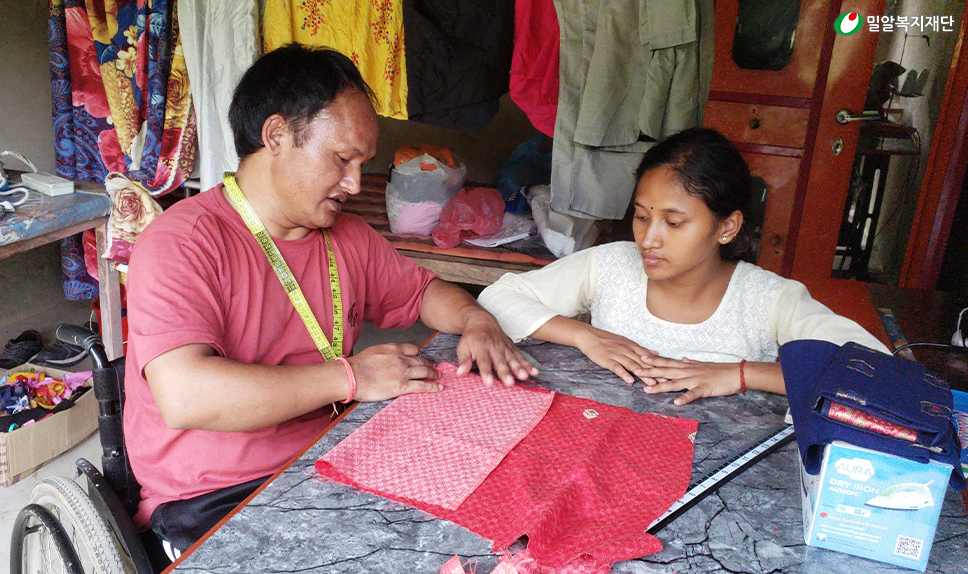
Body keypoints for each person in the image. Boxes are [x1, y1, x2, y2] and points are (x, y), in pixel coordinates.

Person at [123, 43, 537, 555]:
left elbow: (425, 292)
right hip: (216, 494)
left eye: (362, 163)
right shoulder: (182, 242)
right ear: (276, 135)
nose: (354, 183)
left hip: (331, 453)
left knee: (497, 515)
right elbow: (186, 395)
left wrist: (475, 317)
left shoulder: (347, 236)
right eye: (342, 159)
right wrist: (353, 377)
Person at [478, 127, 889, 406]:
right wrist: (584, 335)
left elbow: (877, 372)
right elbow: (497, 296)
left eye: (674, 223)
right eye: (641, 216)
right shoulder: (611, 266)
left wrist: (743, 374)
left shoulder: (767, 300)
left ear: (726, 227)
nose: (649, 239)